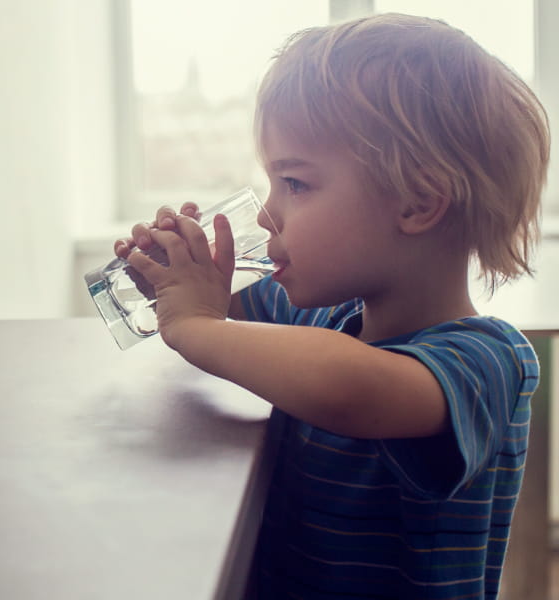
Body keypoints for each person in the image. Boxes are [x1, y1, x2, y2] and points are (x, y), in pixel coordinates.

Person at [113, 12, 550, 600]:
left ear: (419, 202)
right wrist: (175, 276)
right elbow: (236, 305)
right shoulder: (320, 317)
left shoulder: (489, 361)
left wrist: (194, 323)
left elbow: (350, 389)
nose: (268, 215)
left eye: (295, 184)